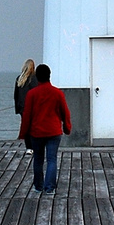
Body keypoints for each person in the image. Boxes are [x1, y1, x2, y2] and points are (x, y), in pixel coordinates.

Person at [18, 63, 70, 192]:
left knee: (38, 160)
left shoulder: (32, 94)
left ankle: (38, 186)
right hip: (53, 131)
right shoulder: (57, 93)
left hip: (36, 132)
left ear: (37, 77)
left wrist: (23, 133)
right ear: (49, 76)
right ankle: (49, 187)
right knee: (52, 159)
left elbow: (27, 115)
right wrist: (67, 127)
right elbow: (65, 112)